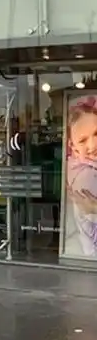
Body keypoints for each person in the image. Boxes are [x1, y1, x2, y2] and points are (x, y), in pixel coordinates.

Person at [66, 96, 97, 255]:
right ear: (73, 146)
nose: (93, 145)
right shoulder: (87, 177)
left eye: (96, 133)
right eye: (83, 140)